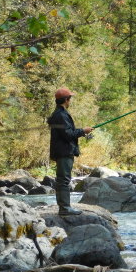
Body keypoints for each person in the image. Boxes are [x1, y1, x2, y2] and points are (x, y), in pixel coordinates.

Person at [47, 87, 94, 216]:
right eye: (70, 98)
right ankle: (65, 209)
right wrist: (83, 131)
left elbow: (67, 132)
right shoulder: (61, 115)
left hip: (62, 151)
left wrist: (82, 131)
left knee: (63, 179)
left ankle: (64, 207)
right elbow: (68, 134)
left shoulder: (58, 114)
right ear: (66, 100)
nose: (70, 101)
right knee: (64, 180)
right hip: (64, 152)